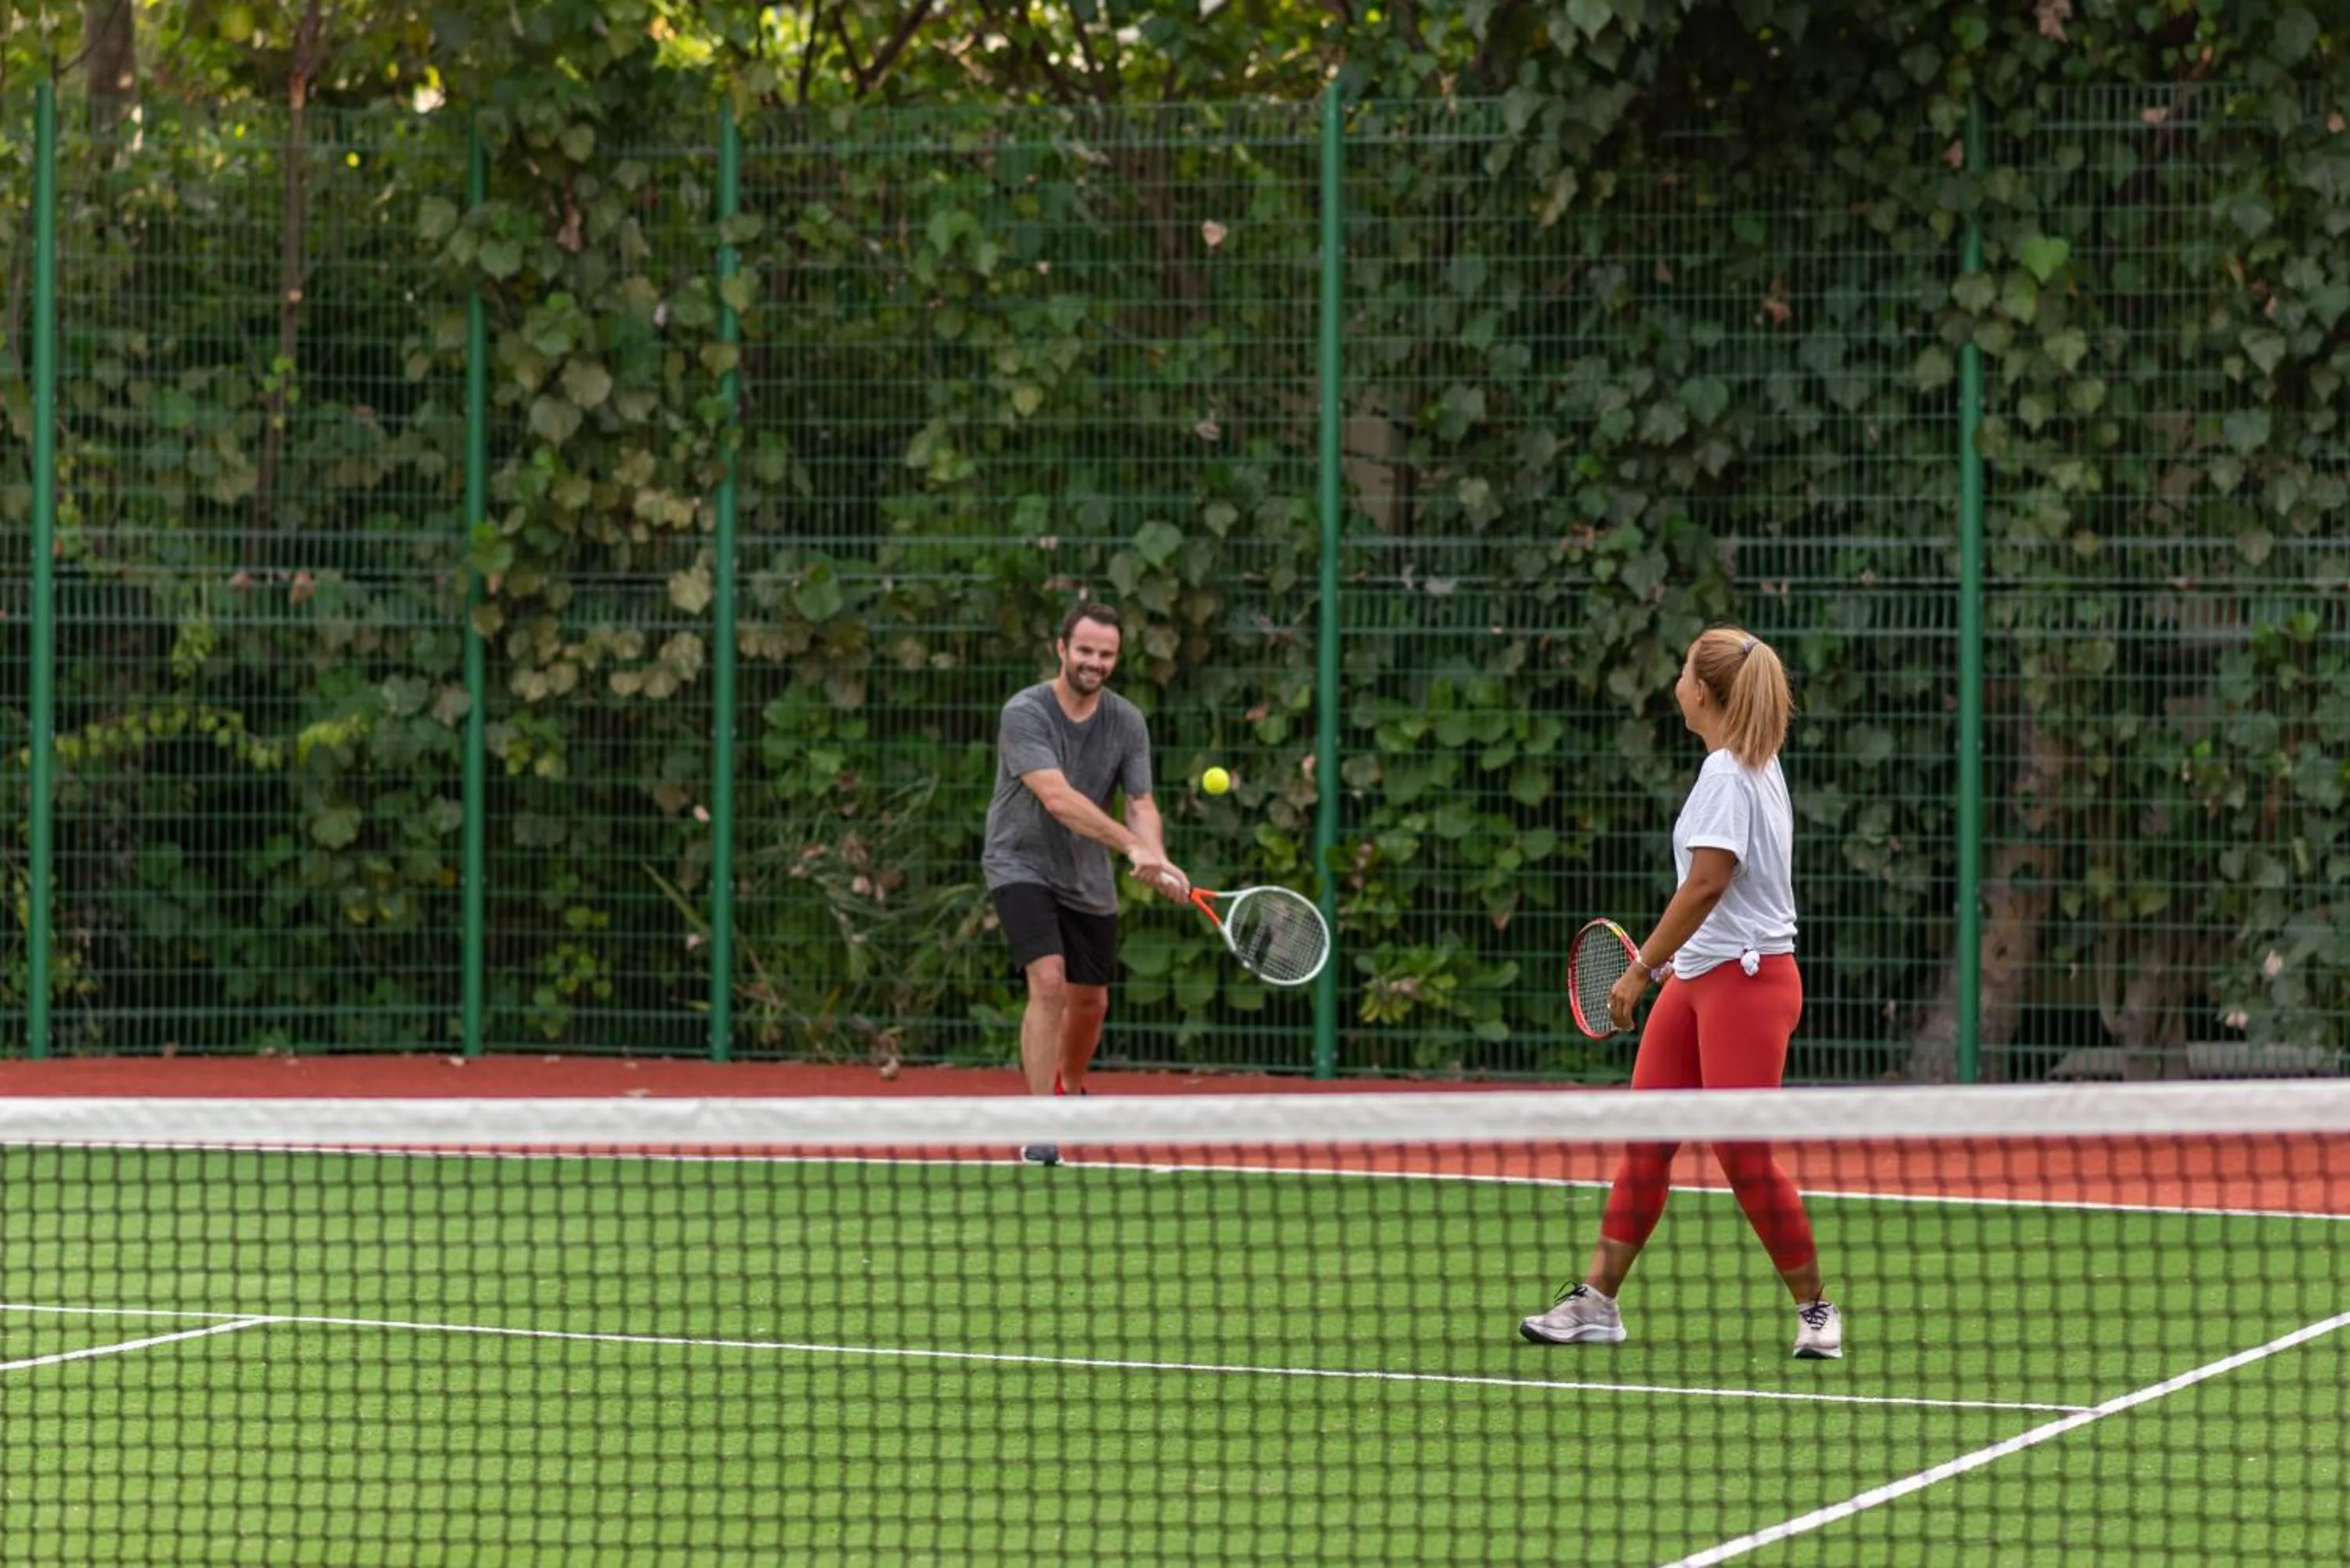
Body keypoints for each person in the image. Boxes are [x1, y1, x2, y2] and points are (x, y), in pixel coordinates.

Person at [1518, 626, 1842, 1360]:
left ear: (1703, 690)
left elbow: (1708, 883)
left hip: (1748, 985)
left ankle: (1817, 1309)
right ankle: (1597, 1302)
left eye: (1683, 666)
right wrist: (1672, 965)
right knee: (1649, 1141)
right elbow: (1720, 897)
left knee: (1741, 1153)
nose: (1677, 678)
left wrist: (1639, 969)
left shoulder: (1731, 773)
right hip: (1701, 977)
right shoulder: (1742, 767)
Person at [982, 602, 1191, 1166]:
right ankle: (1039, 1124)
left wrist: (1159, 856)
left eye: (1106, 654)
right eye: (1086, 651)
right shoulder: (1025, 712)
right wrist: (1129, 845)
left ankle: (1068, 1088)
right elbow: (1057, 797)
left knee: (1091, 1001)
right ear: (1061, 648)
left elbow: (1141, 802)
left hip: (1086, 874)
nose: (1095, 662)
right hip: (1019, 861)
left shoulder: (1126, 721)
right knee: (1048, 981)